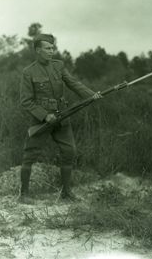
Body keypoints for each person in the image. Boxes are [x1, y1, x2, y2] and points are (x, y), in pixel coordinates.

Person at [19, 33, 101, 202]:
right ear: (38, 50)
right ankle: (24, 195)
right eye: (47, 48)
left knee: (69, 152)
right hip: (41, 120)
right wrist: (44, 115)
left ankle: (66, 193)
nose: (52, 51)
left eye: (53, 48)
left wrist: (92, 95)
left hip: (62, 116)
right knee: (30, 155)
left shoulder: (59, 66)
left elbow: (73, 83)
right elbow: (26, 101)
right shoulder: (28, 72)